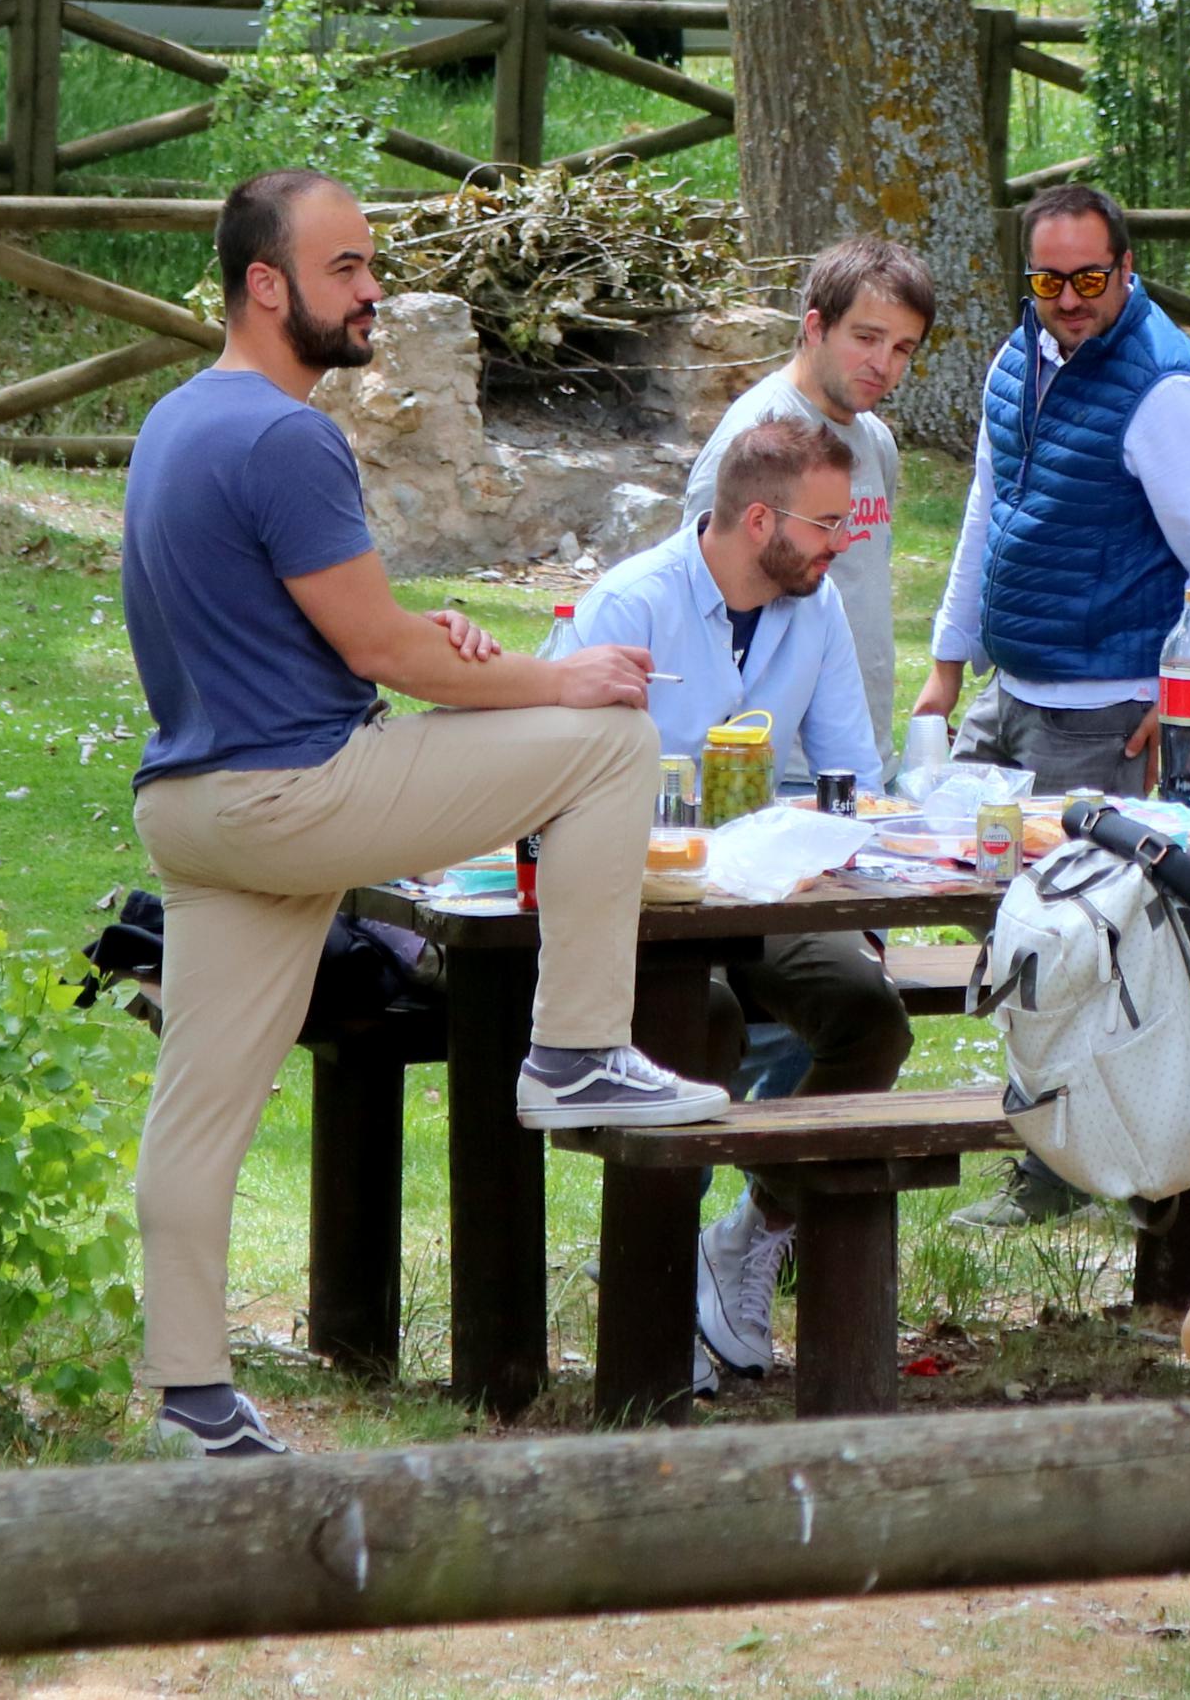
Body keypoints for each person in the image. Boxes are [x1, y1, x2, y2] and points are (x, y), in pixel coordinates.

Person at [119, 168, 722, 1462]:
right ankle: (573, 1048)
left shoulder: (175, 420)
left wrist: (417, 651)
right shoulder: (287, 434)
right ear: (264, 282)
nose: (372, 288)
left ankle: (188, 1391)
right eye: (344, 267)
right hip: (296, 796)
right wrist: (554, 674)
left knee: (200, 1105)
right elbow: (387, 654)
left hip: (193, 803)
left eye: (369, 264)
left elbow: (332, 638)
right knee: (610, 735)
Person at [582, 415, 899, 1383]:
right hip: (635, 900)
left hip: (763, 885)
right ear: (756, 518)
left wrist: (853, 874)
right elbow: (569, 788)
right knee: (699, 1021)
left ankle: (751, 1229)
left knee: (868, 1017)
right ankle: (656, 1294)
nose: (840, 543)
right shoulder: (629, 604)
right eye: (823, 524)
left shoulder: (816, 606)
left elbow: (849, 768)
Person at [918, 182, 1190, 796]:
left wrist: (1185, 705)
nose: (1070, 299)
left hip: (1102, 721)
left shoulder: (1166, 390)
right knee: (957, 876)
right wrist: (947, 669)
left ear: (1126, 267)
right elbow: (986, 514)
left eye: (1089, 279)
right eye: (1049, 282)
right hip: (1004, 697)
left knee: (1067, 892)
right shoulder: (1014, 362)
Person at [682, 236, 936, 731]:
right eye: (866, 338)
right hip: (774, 756)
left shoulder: (877, 441)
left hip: (863, 745)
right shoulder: (753, 437)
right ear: (816, 327)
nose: (883, 364)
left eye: (902, 348)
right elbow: (696, 601)